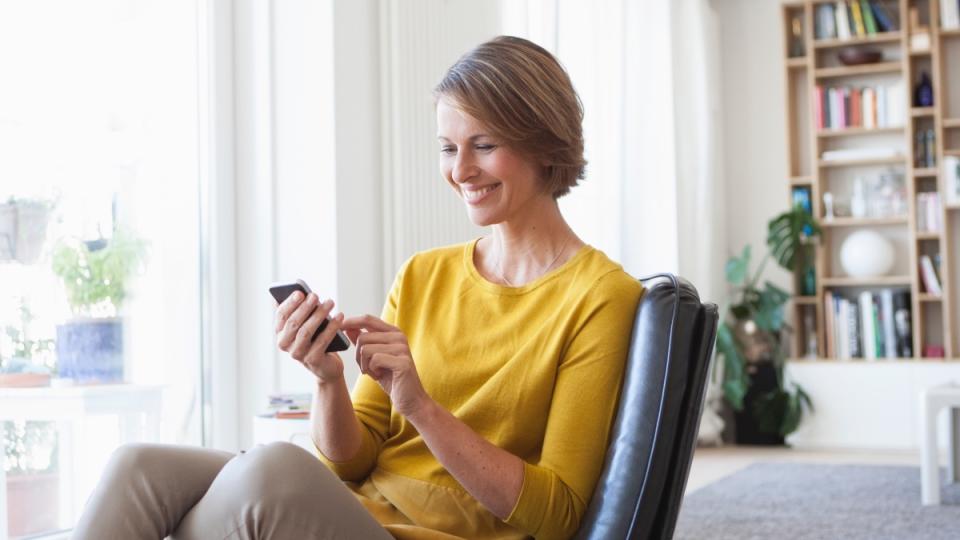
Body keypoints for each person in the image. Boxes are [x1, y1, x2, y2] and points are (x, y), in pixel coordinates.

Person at [72, 35, 644, 540]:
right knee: (137, 466)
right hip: (359, 508)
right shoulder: (425, 273)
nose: (461, 170)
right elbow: (353, 460)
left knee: (270, 473)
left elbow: (561, 512)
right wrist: (328, 381)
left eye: (484, 144)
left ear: (545, 142)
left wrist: (418, 405)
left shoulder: (599, 296)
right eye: (448, 148)